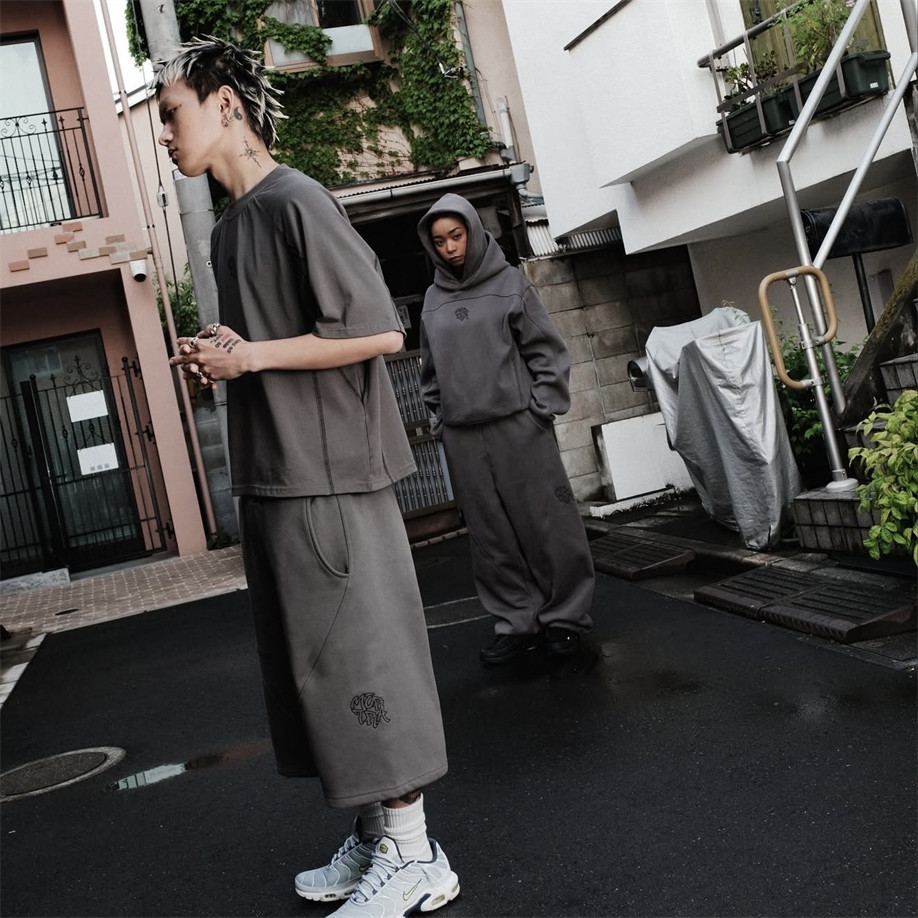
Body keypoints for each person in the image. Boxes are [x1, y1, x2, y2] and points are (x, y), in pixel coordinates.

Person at [155, 38, 459, 917]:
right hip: (276, 475)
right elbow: (277, 341)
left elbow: (379, 331)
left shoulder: (297, 199)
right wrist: (225, 351)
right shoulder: (230, 228)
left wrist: (250, 358)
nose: (165, 134)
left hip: (331, 477)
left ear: (224, 104)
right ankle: (376, 835)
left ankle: (417, 854)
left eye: (171, 114)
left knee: (365, 657)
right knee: (317, 675)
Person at [418, 193, 595, 666]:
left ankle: (565, 619)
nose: (450, 248)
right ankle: (518, 623)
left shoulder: (511, 283)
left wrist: (541, 411)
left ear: (473, 233)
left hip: (519, 427)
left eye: (456, 236)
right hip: (463, 437)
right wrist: (440, 420)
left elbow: (546, 351)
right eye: (440, 241)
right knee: (490, 536)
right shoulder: (432, 300)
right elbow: (430, 371)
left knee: (548, 525)